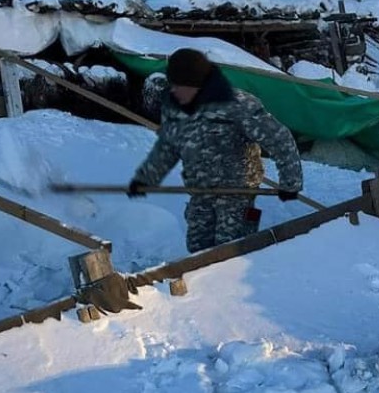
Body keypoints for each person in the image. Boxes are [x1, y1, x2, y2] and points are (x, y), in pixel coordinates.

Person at [130, 48, 303, 253]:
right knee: (197, 248)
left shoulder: (237, 105)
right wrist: (145, 178)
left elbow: (280, 139)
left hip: (236, 194)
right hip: (201, 193)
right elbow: (167, 148)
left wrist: (290, 183)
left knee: (230, 251)